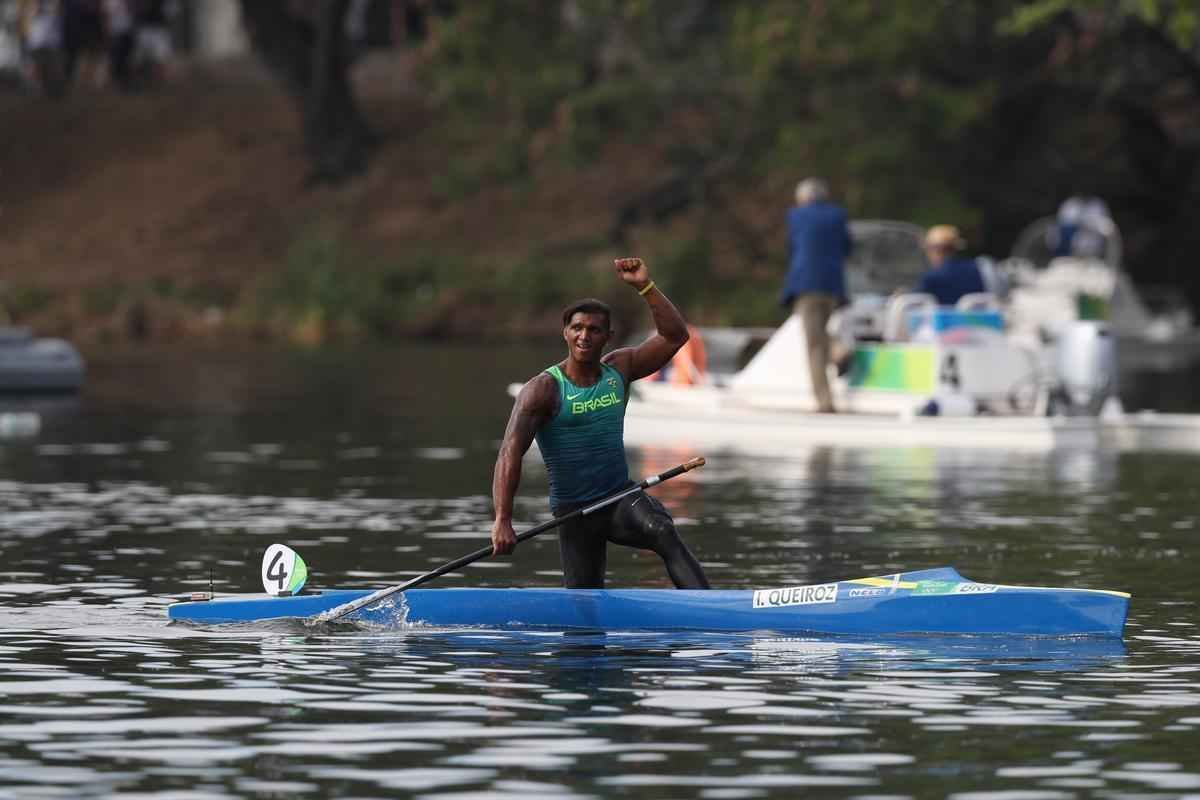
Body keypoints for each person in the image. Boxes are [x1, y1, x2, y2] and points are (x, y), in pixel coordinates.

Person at [491, 258, 711, 590]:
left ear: (608, 336)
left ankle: (709, 608)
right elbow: (509, 453)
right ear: (565, 332)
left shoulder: (620, 368)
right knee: (585, 600)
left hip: (618, 497)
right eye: (577, 328)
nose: (584, 336)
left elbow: (676, 335)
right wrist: (503, 520)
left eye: (594, 330)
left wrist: (645, 287)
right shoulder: (542, 390)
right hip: (574, 512)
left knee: (662, 530)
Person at [780, 177, 851, 413]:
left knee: (814, 344)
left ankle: (824, 402)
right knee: (821, 332)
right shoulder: (838, 215)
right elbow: (847, 248)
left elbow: (792, 247)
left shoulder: (796, 215)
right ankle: (838, 350)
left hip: (806, 284)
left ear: (804, 198)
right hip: (832, 285)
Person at [915, 224, 985, 306]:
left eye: (928, 249)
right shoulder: (978, 270)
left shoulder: (933, 277)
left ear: (937, 250)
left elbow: (913, 302)